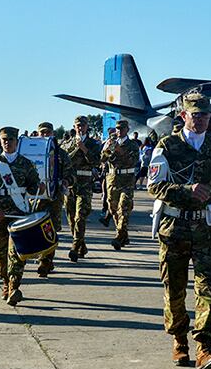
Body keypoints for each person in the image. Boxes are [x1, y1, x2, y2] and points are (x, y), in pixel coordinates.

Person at [147, 93, 211, 369]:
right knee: (174, 291)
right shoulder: (167, 146)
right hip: (174, 229)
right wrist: (184, 191)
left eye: (204, 115)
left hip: (207, 231)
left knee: (207, 291)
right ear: (184, 116)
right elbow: (154, 185)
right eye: (195, 114)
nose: (200, 119)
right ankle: (179, 340)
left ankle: (204, 349)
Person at [0, 126, 40, 305]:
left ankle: (15, 286)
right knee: (1, 251)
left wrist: (38, 188)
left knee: (18, 251)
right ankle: (5, 282)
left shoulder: (26, 164)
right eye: (4, 140)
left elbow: (33, 186)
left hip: (19, 212)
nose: (7, 143)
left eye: (11, 140)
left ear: (16, 142)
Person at [35, 121, 74, 277]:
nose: (45, 135)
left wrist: (66, 181)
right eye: (42, 133)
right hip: (36, 198)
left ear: (53, 134)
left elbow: (71, 174)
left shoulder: (61, 153)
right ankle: (45, 259)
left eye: (48, 133)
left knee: (50, 229)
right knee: (37, 229)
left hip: (54, 197)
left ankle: (45, 262)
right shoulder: (30, 153)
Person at [62, 116, 102, 261]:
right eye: (78, 125)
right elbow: (64, 161)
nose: (80, 127)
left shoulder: (93, 143)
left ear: (87, 127)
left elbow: (97, 161)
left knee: (80, 216)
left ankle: (74, 246)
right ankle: (81, 245)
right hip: (71, 184)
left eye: (83, 125)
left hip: (85, 184)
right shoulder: (67, 143)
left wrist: (84, 148)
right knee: (71, 218)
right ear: (74, 126)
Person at [100, 119, 140, 250]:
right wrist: (106, 149)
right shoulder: (112, 142)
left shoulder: (132, 144)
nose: (119, 131)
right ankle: (124, 234)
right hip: (112, 179)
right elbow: (103, 159)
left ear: (127, 129)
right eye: (117, 129)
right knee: (113, 208)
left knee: (124, 208)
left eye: (122, 128)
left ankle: (119, 236)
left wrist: (120, 151)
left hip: (127, 179)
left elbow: (133, 161)